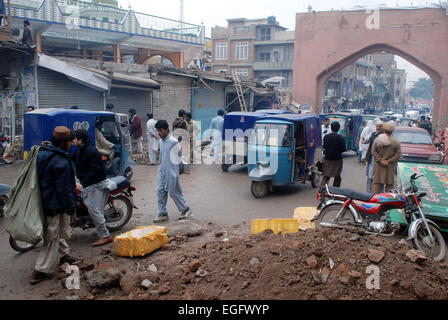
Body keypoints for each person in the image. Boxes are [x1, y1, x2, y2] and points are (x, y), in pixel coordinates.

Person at [31, 126, 78, 285]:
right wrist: (72, 210)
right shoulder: (61, 162)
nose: (72, 144)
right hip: (55, 204)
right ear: (63, 143)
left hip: (43, 199)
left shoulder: (42, 153)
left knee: (56, 231)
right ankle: (40, 270)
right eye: (70, 141)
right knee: (51, 236)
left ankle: (64, 255)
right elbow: (64, 190)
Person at [72, 129, 114, 247]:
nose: (73, 140)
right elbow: (70, 158)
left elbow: (95, 172)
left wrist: (83, 184)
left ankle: (106, 236)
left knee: (94, 210)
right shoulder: (79, 150)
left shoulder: (91, 152)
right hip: (86, 182)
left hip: (96, 184)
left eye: (74, 138)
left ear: (80, 140)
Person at [153, 120, 192, 223]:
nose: (159, 133)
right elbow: (162, 157)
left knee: (174, 192)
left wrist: (178, 171)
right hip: (162, 170)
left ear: (166, 130)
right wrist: (160, 170)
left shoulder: (173, 142)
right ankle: (162, 213)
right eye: (157, 130)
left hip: (172, 171)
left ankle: (185, 209)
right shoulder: (161, 141)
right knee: (160, 191)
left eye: (160, 130)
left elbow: (179, 158)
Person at [371, 122, 401, 194]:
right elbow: (398, 154)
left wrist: (381, 161)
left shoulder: (377, 139)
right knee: (389, 186)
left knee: (377, 186)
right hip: (390, 167)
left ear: (384, 130)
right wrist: (388, 161)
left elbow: (373, 152)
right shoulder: (396, 142)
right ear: (392, 131)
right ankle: (387, 203)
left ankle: (375, 202)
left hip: (379, 166)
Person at [320, 121, 346, 190]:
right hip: (337, 160)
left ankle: (322, 190)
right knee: (337, 176)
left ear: (331, 128)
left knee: (326, 175)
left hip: (327, 159)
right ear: (338, 128)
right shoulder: (340, 138)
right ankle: (335, 190)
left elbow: (324, 146)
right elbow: (344, 149)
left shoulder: (326, 136)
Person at [365, 119, 384, 193]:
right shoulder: (373, 134)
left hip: (380, 160)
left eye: (380, 126)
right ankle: (368, 192)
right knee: (370, 177)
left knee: (380, 178)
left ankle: (380, 193)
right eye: (377, 126)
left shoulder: (384, 136)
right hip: (371, 159)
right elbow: (367, 141)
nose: (378, 128)